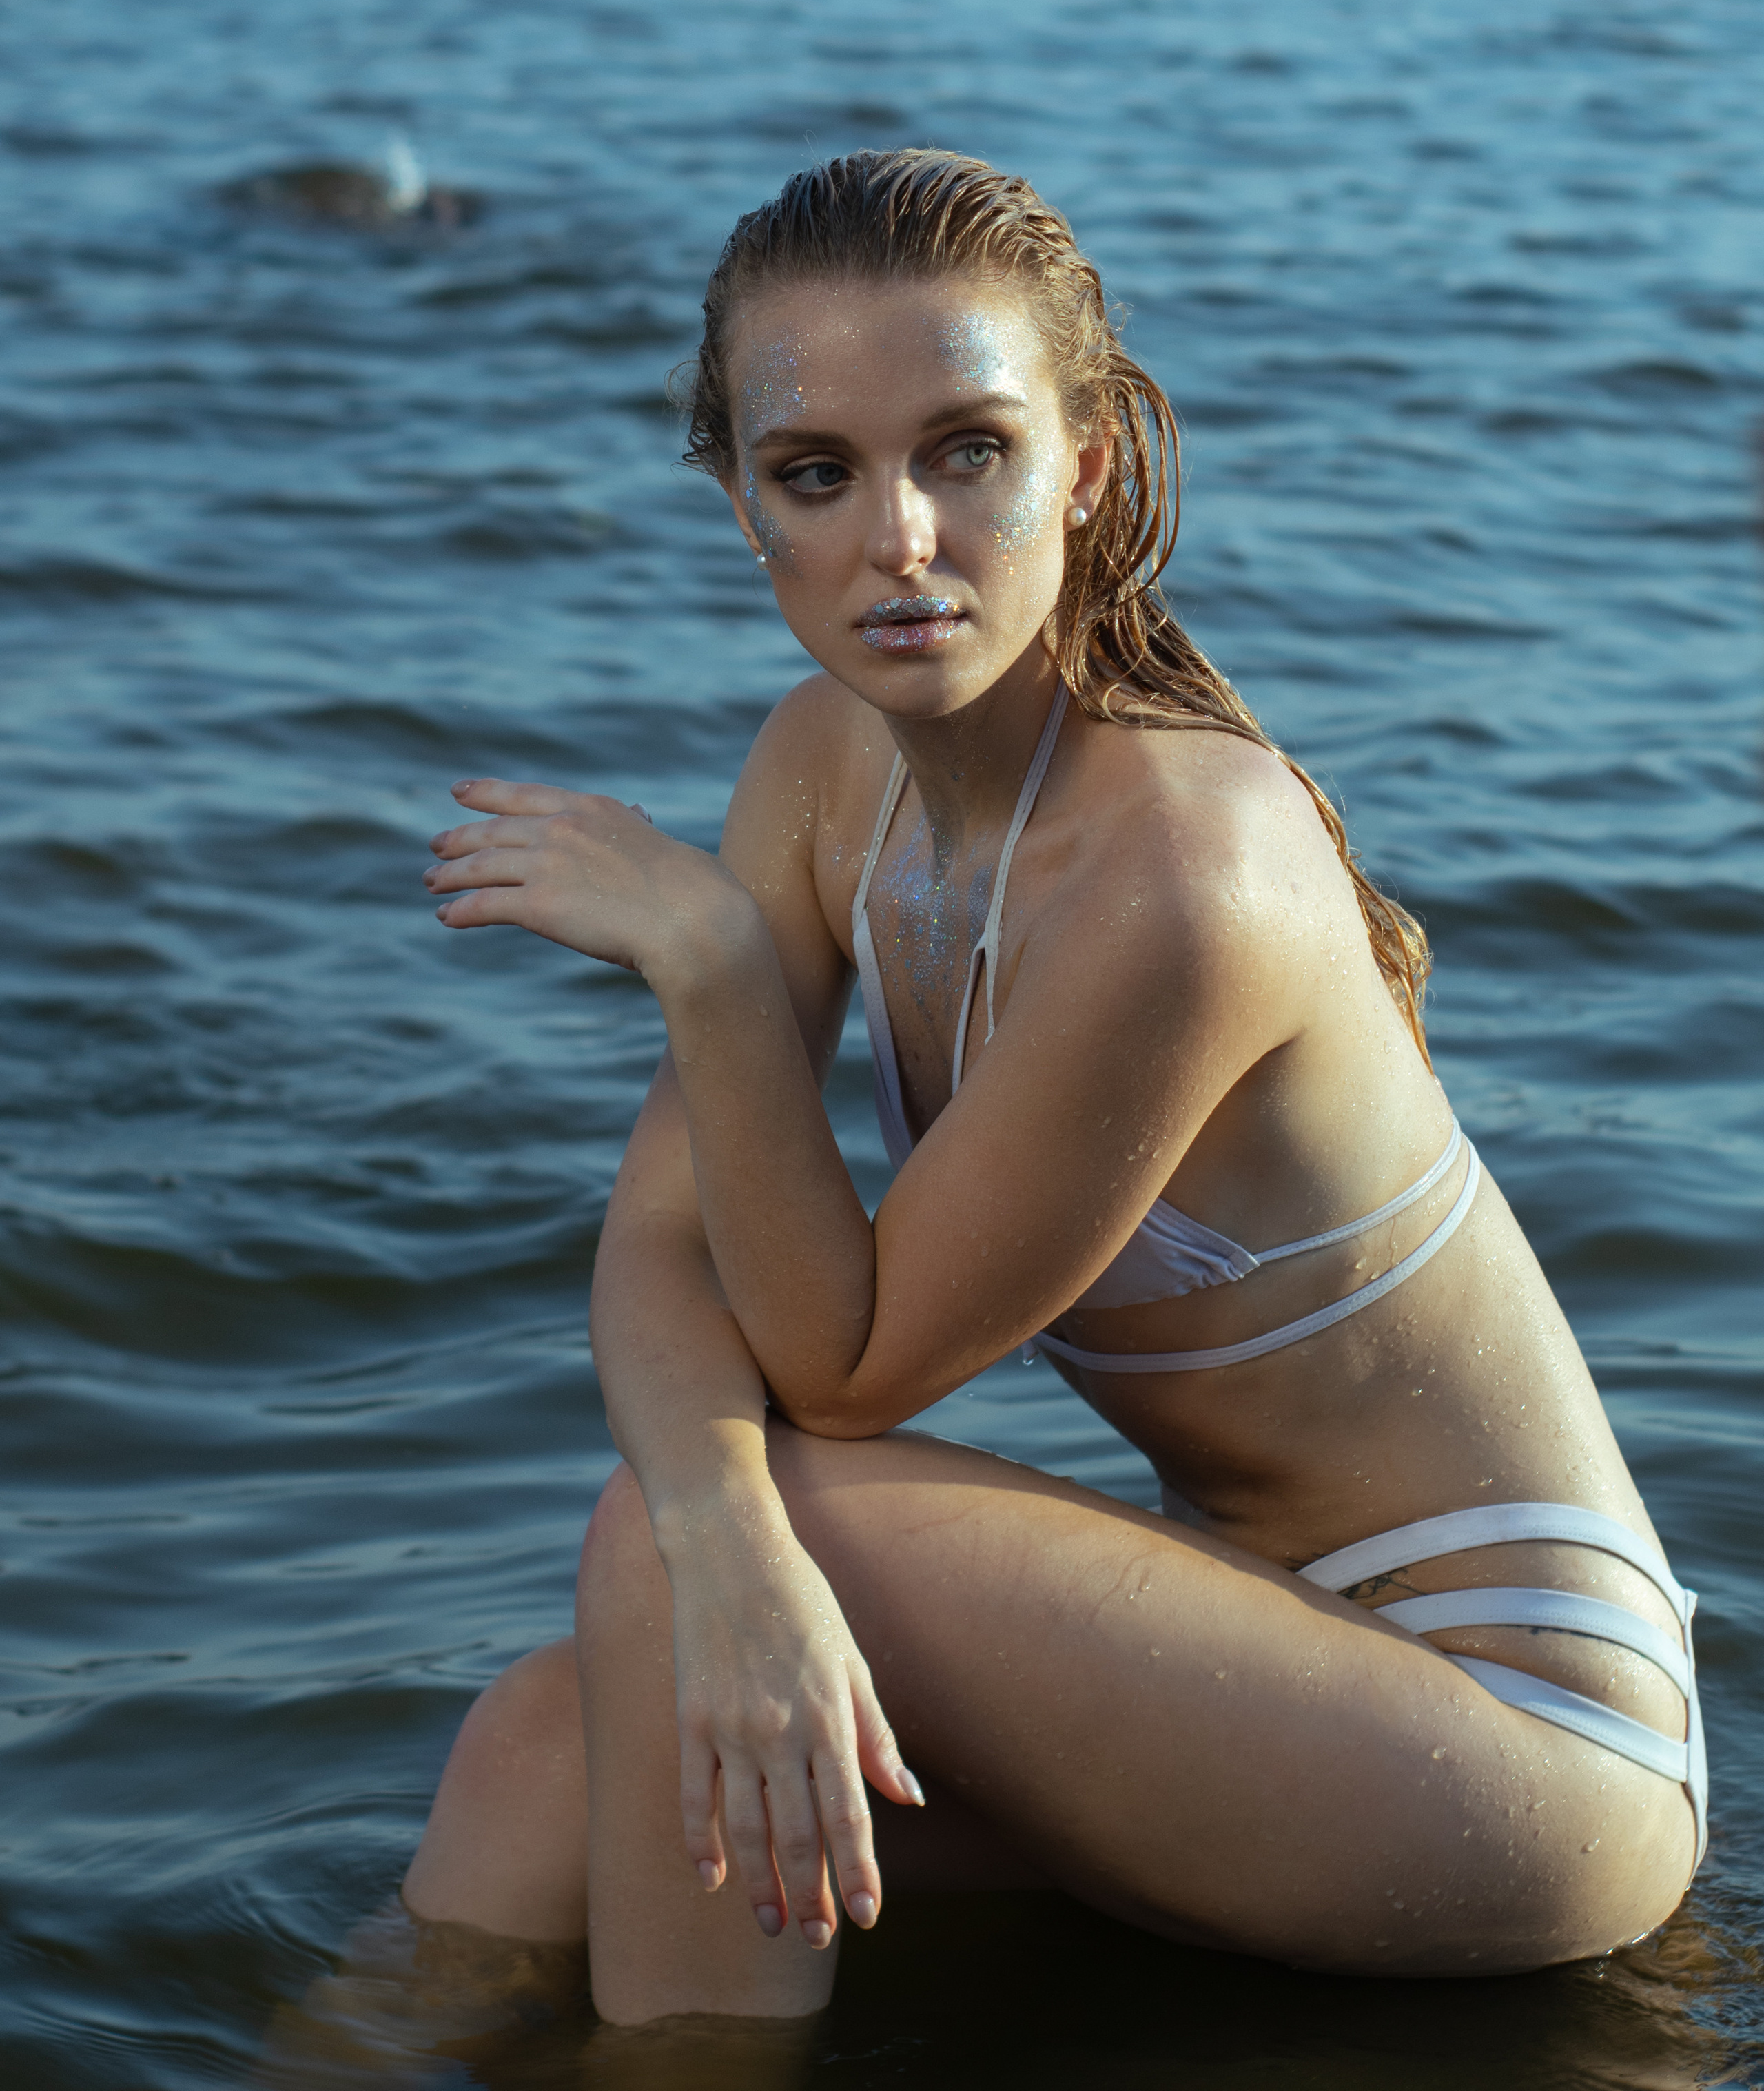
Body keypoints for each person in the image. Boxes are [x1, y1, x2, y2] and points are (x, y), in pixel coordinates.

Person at [402, 150, 1704, 2031]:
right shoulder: (823, 767)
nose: (900, 540)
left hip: (1519, 1741)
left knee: (715, 1550)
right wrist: (719, 1537)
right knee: (555, 1741)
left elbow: (849, 1376)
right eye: (816, 473)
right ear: (742, 501)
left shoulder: (1185, 870)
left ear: (1084, 467)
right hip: (1256, 1655)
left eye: (969, 453)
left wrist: (713, 969)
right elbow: (663, 1254)